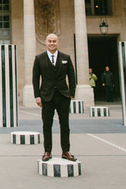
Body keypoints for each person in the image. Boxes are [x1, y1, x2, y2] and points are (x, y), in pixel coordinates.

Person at [32, 33, 77, 162]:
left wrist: (71, 92)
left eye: (54, 41)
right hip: (46, 96)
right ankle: (47, 151)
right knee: (47, 125)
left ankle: (66, 151)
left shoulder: (66, 58)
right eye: (50, 41)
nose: (52, 43)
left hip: (63, 95)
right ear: (46, 42)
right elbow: (35, 78)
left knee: (65, 124)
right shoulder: (39, 58)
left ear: (58, 43)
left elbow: (72, 75)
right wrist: (37, 96)